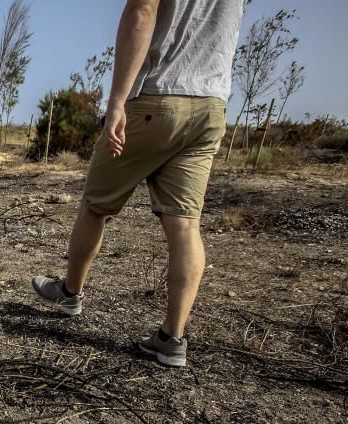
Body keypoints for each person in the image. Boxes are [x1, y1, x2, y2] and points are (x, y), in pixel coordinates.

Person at [31, 0, 246, 367]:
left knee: (96, 205)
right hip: (211, 104)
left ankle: (70, 293)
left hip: (156, 95)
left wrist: (117, 101)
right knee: (185, 225)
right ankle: (172, 338)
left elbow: (142, 10)